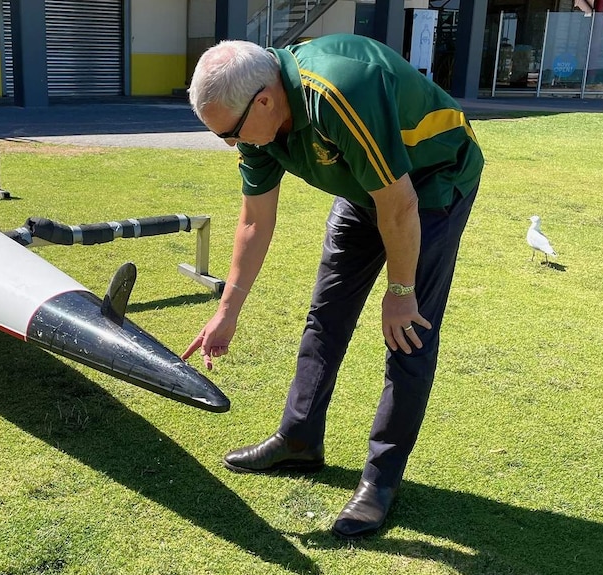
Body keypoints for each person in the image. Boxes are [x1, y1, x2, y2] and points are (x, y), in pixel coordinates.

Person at [181, 34, 484, 538]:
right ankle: (298, 441)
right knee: (327, 314)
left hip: (428, 185)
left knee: (407, 333)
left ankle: (380, 481)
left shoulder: (340, 92)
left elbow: (399, 204)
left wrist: (401, 292)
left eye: (230, 134)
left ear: (265, 99)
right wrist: (227, 310)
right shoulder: (259, 121)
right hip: (366, 187)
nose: (233, 145)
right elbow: (255, 219)